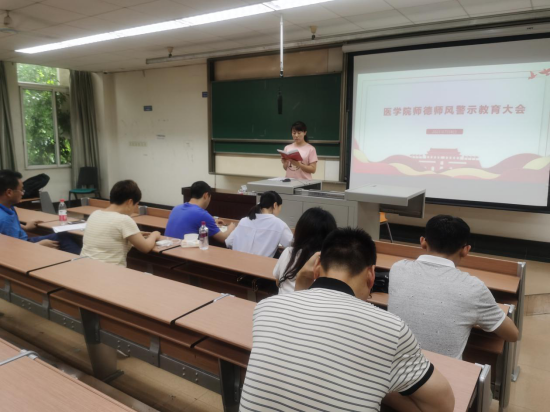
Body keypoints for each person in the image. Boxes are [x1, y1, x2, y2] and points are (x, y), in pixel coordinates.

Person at [240, 228, 455, 412]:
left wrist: (303, 279)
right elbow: (444, 405)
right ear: (371, 275)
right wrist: (381, 381)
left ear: (317, 266)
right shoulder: (391, 329)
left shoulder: (266, 308)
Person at [388, 215, 519, 360]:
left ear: (423, 242)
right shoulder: (473, 288)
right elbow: (513, 335)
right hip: (443, 372)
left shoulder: (397, 269)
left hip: (393, 365)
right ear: (465, 250)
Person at [81, 180, 161, 267]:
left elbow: (111, 234)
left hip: (85, 266)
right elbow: (145, 248)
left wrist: (135, 234)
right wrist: (154, 235)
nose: (135, 208)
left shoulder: (95, 214)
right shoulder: (124, 220)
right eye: (136, 205)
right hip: (109, 271)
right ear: (130, 202)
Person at [0, 170, 81, 254]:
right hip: (24, 248)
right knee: (64, 238)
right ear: (9, 192)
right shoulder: (4, 219)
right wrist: (38, 245)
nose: (22, 193)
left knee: (63, 235)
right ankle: (83, 260)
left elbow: (11, 226)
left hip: (24, 242)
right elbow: (12, 251)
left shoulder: (8, 207)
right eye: (21, 190)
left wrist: (25, 227)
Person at [275, 207, 337, 294]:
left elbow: (277, 282)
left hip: (282, 301)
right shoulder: (329, 264)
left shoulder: (288, 252)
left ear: (300, 231)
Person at [226, 191, 292, 258]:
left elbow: (229, 242)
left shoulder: (244, 220)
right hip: (260, 264)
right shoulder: (279, 224)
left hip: (236, 261)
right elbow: (292, 245)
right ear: (275, 205)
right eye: (280, 207)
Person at [165, 181, 235, 243]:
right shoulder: (202, 214)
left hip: (168, 248)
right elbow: (223, 238)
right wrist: (231, 228)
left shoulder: (176, 208)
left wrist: (212, 221)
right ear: (206, 195)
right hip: (184, 251)